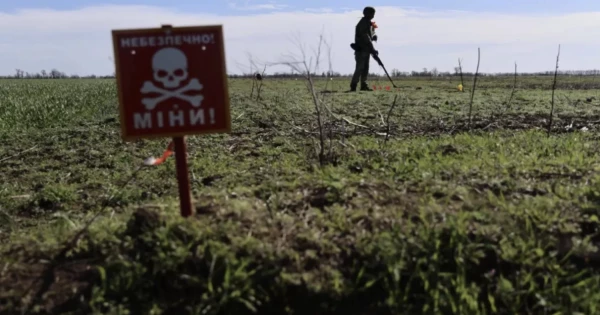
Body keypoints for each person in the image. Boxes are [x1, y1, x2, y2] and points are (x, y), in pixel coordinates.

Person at [350, 6, 378, 91]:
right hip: (361, 50)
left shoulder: (369, 23)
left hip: (366, 50)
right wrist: (372, 49)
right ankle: (354, 85)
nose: (373, 15)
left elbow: (371, 34)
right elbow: (365, 38)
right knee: (360, 68)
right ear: (366, 13)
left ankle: (364, 85)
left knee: (366, 68)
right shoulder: (362, 23)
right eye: (372, 13)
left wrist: (374, 36)